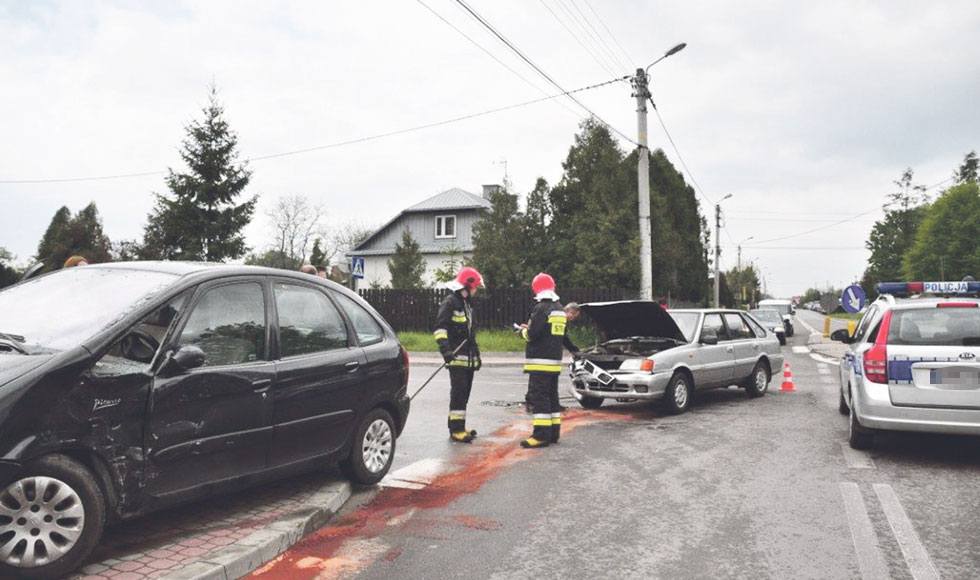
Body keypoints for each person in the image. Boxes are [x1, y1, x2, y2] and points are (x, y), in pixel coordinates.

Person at [433, 266, 484, 443]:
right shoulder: (450, 303)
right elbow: (440, 329)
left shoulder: (467, 304)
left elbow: (470, 334)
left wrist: (476, 357)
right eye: (475, 287)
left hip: (467, 359)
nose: (476, 291)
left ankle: (459, 425)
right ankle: (456, 430)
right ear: (467, 286)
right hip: (455, 358)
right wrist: (446, 351)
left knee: (465, 394)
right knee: (459, 393)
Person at [517, 273, 566, 448]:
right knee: (552, 397)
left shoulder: (540, 308)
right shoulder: (559, 308)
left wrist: (522, 331)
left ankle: (540, 436)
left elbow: (532, 334)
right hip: (554, 362)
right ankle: (553, 433)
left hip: (540, 362)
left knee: (539, 397)